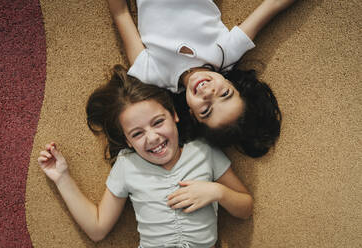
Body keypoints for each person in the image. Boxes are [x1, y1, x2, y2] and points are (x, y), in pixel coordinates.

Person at [38, 65, 253, 248]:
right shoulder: (127, 165)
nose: (152, 138)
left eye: (158, 122)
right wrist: (62, 178)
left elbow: (245, 208)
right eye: (137, 134)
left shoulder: (204, 152)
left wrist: (217, 192)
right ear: (128, 142)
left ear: (174, 115)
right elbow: (97, 229)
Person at [107, 0, 296, 157]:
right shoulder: (227, 53)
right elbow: (273, 5)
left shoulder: (151, 76)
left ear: (192, 115)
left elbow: (121, 14)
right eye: (225, 93)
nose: (207, 93)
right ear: (233, 84)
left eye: (206, 110)